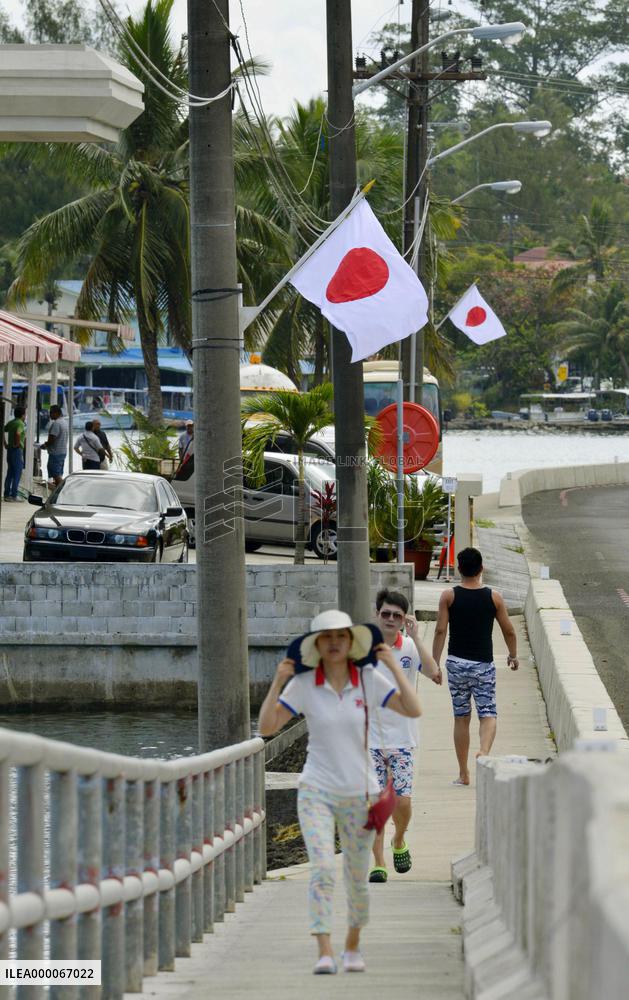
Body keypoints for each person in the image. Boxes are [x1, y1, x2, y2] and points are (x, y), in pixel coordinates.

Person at [258, 609, 421, 975]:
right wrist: (278, 682)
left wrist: (393, 668)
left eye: (341, 636)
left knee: (356, 876)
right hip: (315, 789)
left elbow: (413, 708)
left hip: (359, 794)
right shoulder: (304, 684)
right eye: (326, 637)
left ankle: (351, 945)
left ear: (350, 643)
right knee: (321, 868)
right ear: (316, 644)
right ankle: (324, 949)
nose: (334, 642)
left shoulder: (366, 678)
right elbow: (267, 727)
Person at [368, 588, 441, 884]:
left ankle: (399, 840)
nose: (390, 619)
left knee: (402, 801)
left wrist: (417, 637)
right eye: (385, 614)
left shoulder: (410, 647)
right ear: (377, 615)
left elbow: (435, 672)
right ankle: (379, 862)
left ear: (403, 620)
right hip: (369, 738)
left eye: (396, 615)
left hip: (402, 738)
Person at [432, 546, 519, 786]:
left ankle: (463, 773)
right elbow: (509, 630)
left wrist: (435, 663)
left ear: (459, 569)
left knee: (461, 717)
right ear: (481, 569)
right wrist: (513, 655)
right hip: (483, 665)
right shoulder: (494, 597)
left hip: (457, 664)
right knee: (488, 713)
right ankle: (484, 752)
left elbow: (440, 629)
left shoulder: (449, 596)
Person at [40, 404, 68, 486]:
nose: (49, 414)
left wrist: (45, 445)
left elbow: (52, 439)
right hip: (62, 452)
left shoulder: (56, 423)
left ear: (56, 413)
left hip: (56, 453)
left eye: (51, 413)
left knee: (55, 474)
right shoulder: (64, 422)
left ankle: (62, 489)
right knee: (58, 473)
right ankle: (58, 489)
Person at [3, 405, 26, 501]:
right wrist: (17, 444)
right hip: (17, 450)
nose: (25, 416)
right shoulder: (20, 423)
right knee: (17, 473)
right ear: (22, 415)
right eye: (25, 414)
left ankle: (7, 495)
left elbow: (2, 430)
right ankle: (14, 495)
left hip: (10, 450)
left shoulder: (11, 422)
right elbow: (18, 433)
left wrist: (5, 443)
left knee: (10, 473)